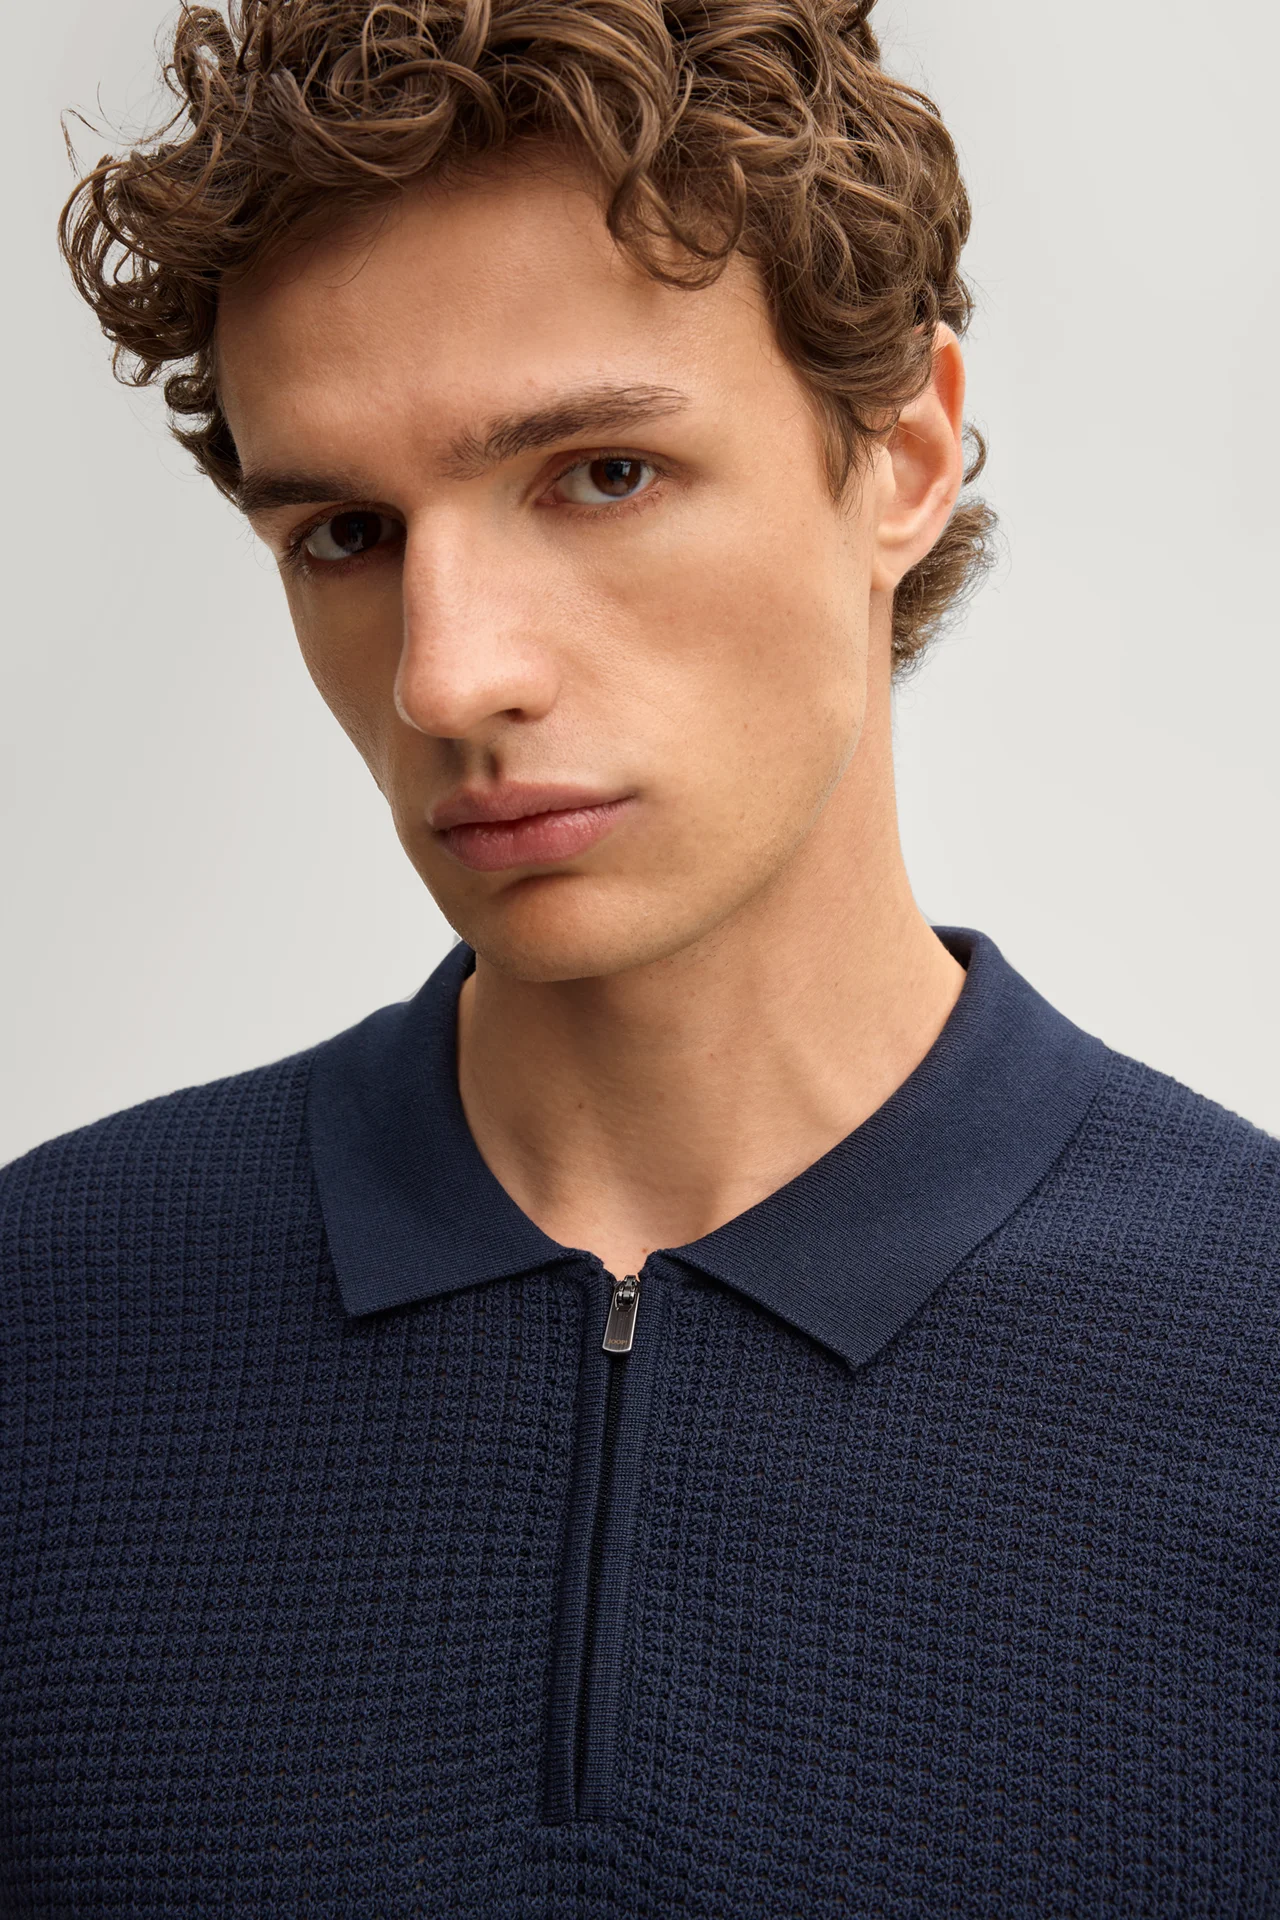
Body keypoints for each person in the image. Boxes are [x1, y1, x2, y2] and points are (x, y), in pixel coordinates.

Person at [3, 0, 1277, 1912]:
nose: (447, 677)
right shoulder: (42, 1329)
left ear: (903, 451)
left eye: (599, 472)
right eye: (345, 532)